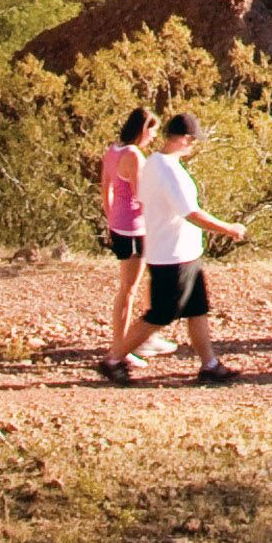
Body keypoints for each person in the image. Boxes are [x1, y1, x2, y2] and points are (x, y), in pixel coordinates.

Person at [107, 109, 248, 385]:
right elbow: (191, 213)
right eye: (193, 141)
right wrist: (228, 229)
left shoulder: (154, 164)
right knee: (161, 314)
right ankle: (113, 358)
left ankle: (210, 364)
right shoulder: (168, 171)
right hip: (171, 254)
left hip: (180, 251)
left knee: (196, 309)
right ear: (183, 139)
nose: (193, 146)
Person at [94, 108, 154, 369]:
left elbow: (105, 187)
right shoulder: (133, 155)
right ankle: (121, 348)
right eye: (152, 131)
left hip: (120, 225)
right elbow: (142, 197)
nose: (153, 137)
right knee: (128, 290)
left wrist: (111, 219)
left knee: (134, 285)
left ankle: (137, 338)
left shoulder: (113, 150)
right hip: (134, 228)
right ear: (143, 130)